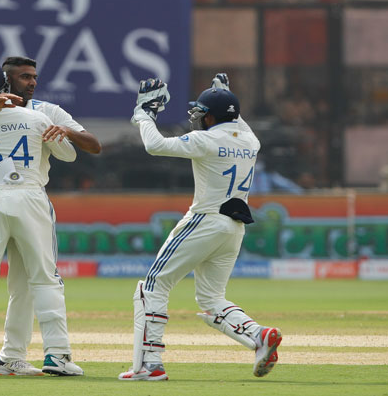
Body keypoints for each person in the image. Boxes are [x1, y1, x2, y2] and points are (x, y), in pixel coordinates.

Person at [0, 56, 101, 376]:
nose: (32, 82)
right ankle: (57, 355)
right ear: (5, 84)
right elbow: (68, 155)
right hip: (29, 196)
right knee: (44, 278)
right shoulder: (36, 118)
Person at [118, 74, 281, 381]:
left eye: (200, 113)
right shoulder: (251, 141)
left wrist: (144, 114)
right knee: (211, 299)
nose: (196, 118)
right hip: (234, 227)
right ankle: (260, 336)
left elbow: (155, 146)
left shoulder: (204, 140)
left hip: (204, 219)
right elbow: (236, 121)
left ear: (209, 116)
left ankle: (149, 364)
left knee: (152, 285)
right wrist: (226, 97)